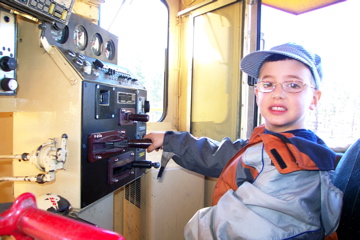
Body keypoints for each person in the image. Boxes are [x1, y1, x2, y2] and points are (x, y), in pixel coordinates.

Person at [144, 43, 343, 239]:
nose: (278, 93)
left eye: (293, 85)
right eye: (268, 84)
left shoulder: (296, 168)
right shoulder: (267, 142)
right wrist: (170, 140)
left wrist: (198, 226)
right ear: (257, 94)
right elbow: (225, 154)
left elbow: (247, 231)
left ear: (314, 99)